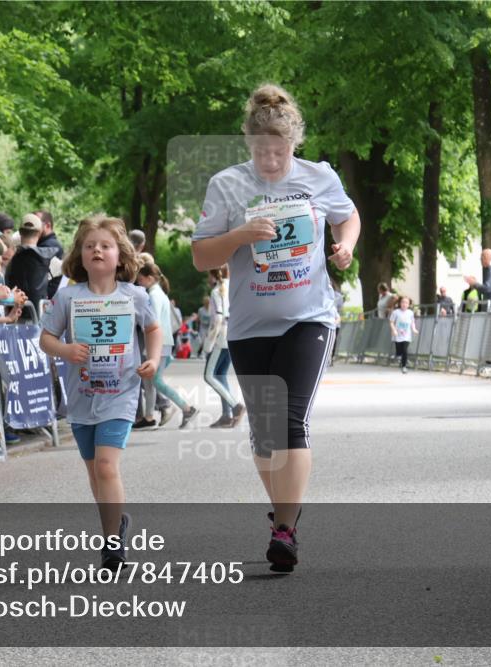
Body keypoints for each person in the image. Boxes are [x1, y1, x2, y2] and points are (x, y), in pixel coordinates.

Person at [191, 83, 360, 572]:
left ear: (293, 145)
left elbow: (348, 218)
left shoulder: (318, 177)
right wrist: (241, 235)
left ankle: (284, 529)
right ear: (249, 144)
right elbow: (203, 256)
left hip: (309, 316)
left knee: (290, 422)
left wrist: (345, 245)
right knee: (264, 435)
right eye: (261, 150)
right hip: (249, 324)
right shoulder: (227, 185)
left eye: (280, 150)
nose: (271, 159)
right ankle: (285, 514)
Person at [39, 214, 161, 570]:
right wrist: (65, 350)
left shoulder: (134, 295)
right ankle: (116, 522)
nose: (97, 251)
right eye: (90, 245)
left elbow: (153, 329)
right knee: (95, 473)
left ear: (120, 256)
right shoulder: (68, 298)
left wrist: (152, 360)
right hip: (81, 396)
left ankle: (112, 546)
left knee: (107, 467)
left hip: (121, 392)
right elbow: (46, 338)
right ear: (79, 254)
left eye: (105, 246)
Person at [137, 262, 198, 428]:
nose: (139, 282)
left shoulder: (154, 295)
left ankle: (187, 408)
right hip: (162, 342)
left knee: (155, 382)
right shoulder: (159, 293)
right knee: (150, 382)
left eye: (141, 279)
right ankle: (148, 417)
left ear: (149, 278)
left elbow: (152, 320)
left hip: (157, 342)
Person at [202, 266, 245, 428]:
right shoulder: (234, 285)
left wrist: (208, 344)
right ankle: (226, 415)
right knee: (220, 375)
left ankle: (236, 406)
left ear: (212, 275)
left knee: (209, 376)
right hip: (233, 333)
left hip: (220, 336)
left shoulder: (216, 291)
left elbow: (217, 319)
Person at [5, 213, 60, 318]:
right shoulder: (49, 258)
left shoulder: (11, 258)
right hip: (40, 315)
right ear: (39, 233)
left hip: (15, 315)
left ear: (20, 232)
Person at [389, 296, 418, 373]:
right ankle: (398, 356)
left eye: (406, 303)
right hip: (397, 335)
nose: (404, 304)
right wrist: (394, 330)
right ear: (399, 303)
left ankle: (404, 366)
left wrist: (414, 329)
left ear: (409, 304)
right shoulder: (396, 312)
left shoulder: (410, 313)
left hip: (406, 335)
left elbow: (412, 322)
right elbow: (391, 322)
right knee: (399, 351)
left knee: (405, 350)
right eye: (403, 302)